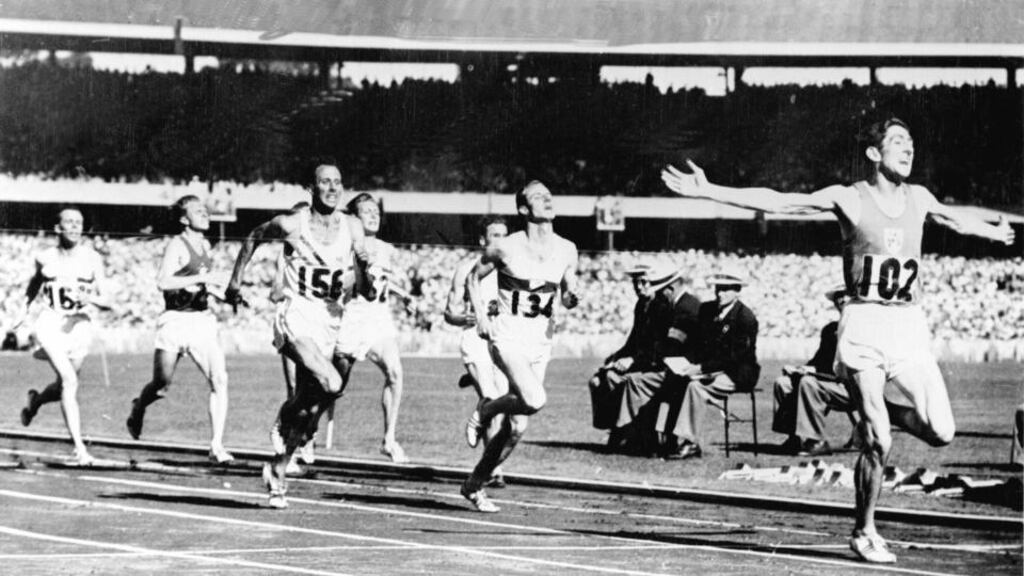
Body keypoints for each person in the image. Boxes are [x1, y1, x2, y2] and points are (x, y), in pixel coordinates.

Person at [662, 116, 1015, 563]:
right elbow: (782, 202)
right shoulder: (848, 198)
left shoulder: (919, 197)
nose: (909, 149)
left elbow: (956, 219)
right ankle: (864, 529)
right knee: (879, 441)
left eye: (911, 142)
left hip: (908, 327)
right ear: (873, 153)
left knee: (941, 432)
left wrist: (991, 230)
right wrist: (710, 190)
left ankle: (874, 415)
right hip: (864, 325)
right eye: (898, 142)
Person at [225, 160, 369, 509]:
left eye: (337, 182)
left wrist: (362, 265)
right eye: (324, 182)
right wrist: (235, 280)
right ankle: (284, 418)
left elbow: (362, 289)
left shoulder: (353, 226)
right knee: (333, 383)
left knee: (309, 408)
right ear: (312, 187)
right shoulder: (292, 223)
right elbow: (254, 236)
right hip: (296, 316)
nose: (332, 188)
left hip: (330, 320)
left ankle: (277, 470)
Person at [461, 181, 580, 512]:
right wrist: (481, 317)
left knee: (518, 427)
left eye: (548, 194)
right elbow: (473, 278)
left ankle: (474, 484)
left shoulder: (568, 248)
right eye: (537, 197)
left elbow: (568, 294)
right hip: (507, 336)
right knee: (534, 399)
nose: (547, 199)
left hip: (540, 340)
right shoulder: (507, 246)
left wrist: (572, 296)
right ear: (524, 210)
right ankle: (486, 409)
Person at [125, 196, 234, 464]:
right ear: (184, 219)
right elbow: (163, 282)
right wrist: (201, 277)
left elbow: (204, 286)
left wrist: (226, 296)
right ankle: (139, 406)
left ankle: (216, 445)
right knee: (161, 385)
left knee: (219, 379)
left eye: (205, 210)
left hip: (201, 321)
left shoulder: (206, 245)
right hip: (175, 320)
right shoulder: (177, 245)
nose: (205, 214)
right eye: (198, 211)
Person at [19, 207, 111, 465]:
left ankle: (35, 402)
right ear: (57, 228)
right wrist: (23, 310)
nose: (74, 227)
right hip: (50, 325)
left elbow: (107, 300)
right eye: (68, 222)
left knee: (63, 386)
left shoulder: (92, 258)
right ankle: (80, 449)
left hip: (79, 326)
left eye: (78, 222)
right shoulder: (44, 257)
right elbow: (34, 284)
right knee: (70, 382)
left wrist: (89, 298)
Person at [333, 192, 410, 464]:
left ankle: (389, 439)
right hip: (351, 317)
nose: (374, 215)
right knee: (334, 386)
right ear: (354, 218)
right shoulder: (344, 246)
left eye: (376, 210)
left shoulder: (388, 249)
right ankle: (306, 436)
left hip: (378, 319)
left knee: (395, 372)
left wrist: (403, 295)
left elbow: (381, 282)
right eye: (366, 211)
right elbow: (339, 284)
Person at [660, 268, 760, 459]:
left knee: (695, 387)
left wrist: (701, 368)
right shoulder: (707, 310)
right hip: (711, 369)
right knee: (675, 379)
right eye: (717, 289)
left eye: (725, 289)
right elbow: (696, 340)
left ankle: (690, 442)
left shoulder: (746, 318)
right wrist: (682, 362)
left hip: (736, 373)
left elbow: (735, 357)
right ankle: (666, 438)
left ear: (737, 291)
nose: (719, 294)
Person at [443, 215, 510, 486]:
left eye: (505, 235)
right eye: (495, 236)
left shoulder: (511, 269)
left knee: (500, 405)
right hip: (474, 338)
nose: (501, 241)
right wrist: (464, 318)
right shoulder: (466, 268)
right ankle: (492, 469)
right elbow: (449, 313)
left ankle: (489, 465)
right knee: (491, 398)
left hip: (502, 340)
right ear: (483, 240)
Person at [612, 266, 702, 455]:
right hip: (670, 366)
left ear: (670, 288)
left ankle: (630, 434)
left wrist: (641, 361)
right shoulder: (676, 305)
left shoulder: (685, 307)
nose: (659, 295)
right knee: (613, 378)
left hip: (681, 370)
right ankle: (631, 434)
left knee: (634, 381)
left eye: (660, 290)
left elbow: (673, 345)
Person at [772, 285, 858, 456]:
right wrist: (801, 368)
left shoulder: (862, 328)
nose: (841, 300)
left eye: (846, 296)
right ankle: (794, 439)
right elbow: (820, 361)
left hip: (852, 388)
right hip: (828, 381)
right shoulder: (830, 329)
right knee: (783, 383)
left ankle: (817, 440)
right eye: (837, 297)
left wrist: (811, 373)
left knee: (808, 383)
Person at [588, 263, 651, 435]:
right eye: (635, 283)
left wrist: (632, 360)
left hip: (648, 363)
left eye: (643, 282)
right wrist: (617, 356)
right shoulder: (641, 305)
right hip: (637, 360)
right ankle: (613, 426)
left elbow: (656, 346)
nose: (639, 287)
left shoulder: (659, 305)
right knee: (596, 381)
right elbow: (633, 341)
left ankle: (622, 429)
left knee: (611, 378)